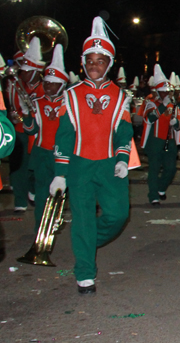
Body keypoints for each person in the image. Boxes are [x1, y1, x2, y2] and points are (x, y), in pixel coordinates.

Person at [52, 16, 133, 295]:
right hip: (79, 165)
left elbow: (124, 131)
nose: (94, 65)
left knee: (119, 214)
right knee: (83, 218)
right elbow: (63, 135)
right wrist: (60, 174)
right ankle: (85, 272)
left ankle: (86, 241)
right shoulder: (71, 95)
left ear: (109, 64)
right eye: (90, 60)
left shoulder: (122, 96)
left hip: (109, 165)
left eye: (100, 60)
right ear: (83, 63)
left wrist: (123, 158)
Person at [22, 44, 67, 232]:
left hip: (61, 155)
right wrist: (26, 114)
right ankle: (41, 227)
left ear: (62, 84)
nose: (48, 86)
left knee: (58, 193)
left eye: (53, 83)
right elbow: (31, 131)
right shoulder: (37, 102)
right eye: (46, 82)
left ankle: (54, 221)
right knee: (42, 192)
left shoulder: (69, 103)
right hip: (41, 153)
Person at [7, 38, 44, 212]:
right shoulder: (16, 85)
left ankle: (32, 190)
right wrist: (16, 115)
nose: (24, 74)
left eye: (28, 71)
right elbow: (12, 106)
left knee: (35, 169)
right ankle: (20, 201)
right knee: (19, 168)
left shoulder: (45, 87)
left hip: (40, 134)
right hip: (21, 131)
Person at [141, 64, 180, 204]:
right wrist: (162, 106)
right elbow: (149, 118)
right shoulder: (151, 103)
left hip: (169, 141)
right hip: (155, 140)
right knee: (154, 169)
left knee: (171, 169)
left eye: (168, 92)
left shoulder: (173, 106)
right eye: (163, 92)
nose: (166, 94)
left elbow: (179, 126)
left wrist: (175, 123)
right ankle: (153, 195)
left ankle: (161, 188)